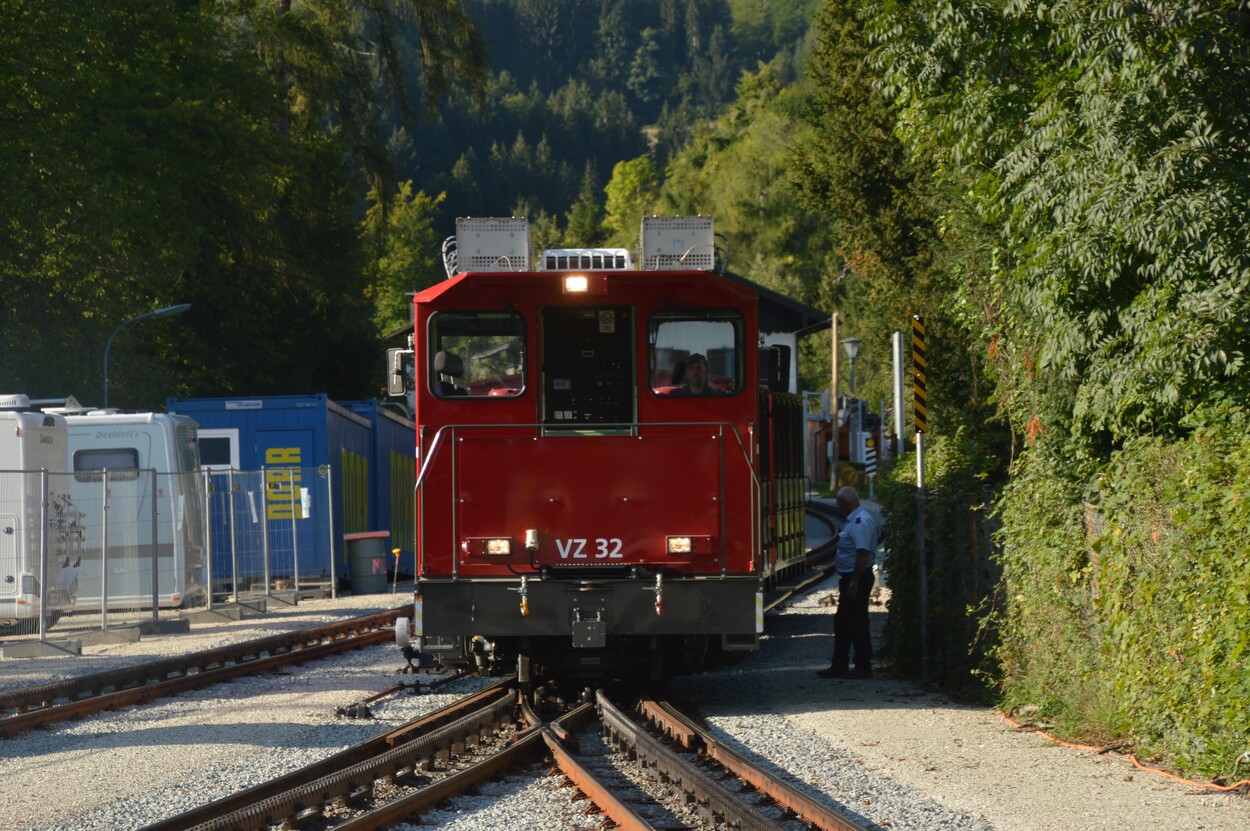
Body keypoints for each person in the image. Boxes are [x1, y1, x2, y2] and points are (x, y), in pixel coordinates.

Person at [817, 485, 879, 679]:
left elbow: (862, 554)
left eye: (839, 501)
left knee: (857, 622)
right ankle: (840, 663)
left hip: (856, 578)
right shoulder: (856, 520)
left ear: (846, 503)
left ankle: (862, 665)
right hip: (852, 578)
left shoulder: (860, 522)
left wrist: (854, 583)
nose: (837, 504)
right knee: (843, 622)